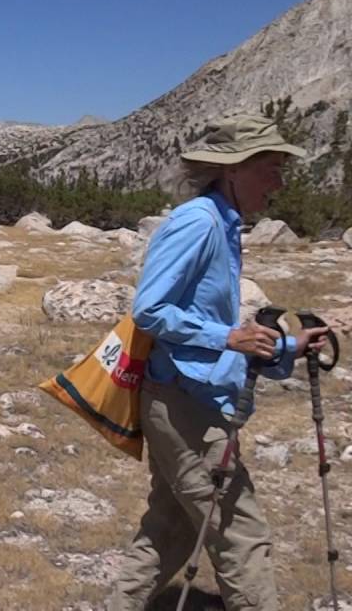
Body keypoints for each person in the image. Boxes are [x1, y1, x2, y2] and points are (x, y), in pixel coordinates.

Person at [108, 113, 331, 611]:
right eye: (269, 167)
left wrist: (287, 349)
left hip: (193, 397)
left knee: (170, 530)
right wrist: (228, 336)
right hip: (183, 404)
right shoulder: (199, 221)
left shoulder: (224, 225)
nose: (278, 181)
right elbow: (149, 309)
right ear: (233, 170)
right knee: (239, 532)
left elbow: (212, 327)